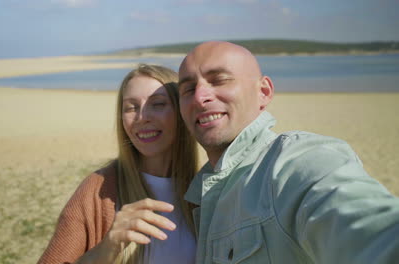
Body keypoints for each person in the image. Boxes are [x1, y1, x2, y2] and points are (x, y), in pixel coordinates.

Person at [177, 41, 399, 264]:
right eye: (188, 89)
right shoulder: (201, 191)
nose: (200, 96)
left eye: (219, 80)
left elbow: (367, 225)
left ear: (264, 92)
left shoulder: (293, 161)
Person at [38, 64, 198, 264]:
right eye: (131, 107)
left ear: (181, 112)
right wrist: (107, 247)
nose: (142, 117)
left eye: (157, 104)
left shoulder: (204, 189)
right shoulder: (98, 191)